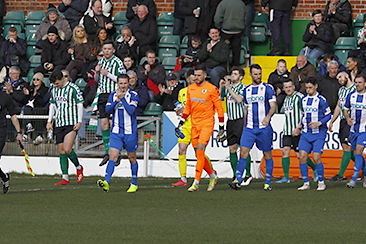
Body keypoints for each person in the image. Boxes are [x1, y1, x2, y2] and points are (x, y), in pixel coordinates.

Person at [176, 65, 224, 192]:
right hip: (194, 124)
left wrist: (221, 126)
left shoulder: (211, 89)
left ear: (204, 75)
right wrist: (181, 122)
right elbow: (188, 108)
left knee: (201, 149)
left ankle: (196, 182)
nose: (196, 78)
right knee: (198, 153)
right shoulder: (190, 89)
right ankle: (213, 175)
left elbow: (219, 108)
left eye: (198, 75)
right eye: (195, 75)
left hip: (207, 124)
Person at [229, 64, 276, 191]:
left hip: (264, 128)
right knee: (243, 152)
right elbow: (245, 109)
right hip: (249, 128)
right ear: (251, 75)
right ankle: (238, 180)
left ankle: (267, 181)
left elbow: (273, 106)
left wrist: (268, 117)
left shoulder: (267, 88)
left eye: (259, 74)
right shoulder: (247, 90)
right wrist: (244, 125)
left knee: (267, 155)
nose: (258, 76)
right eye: (255, 74)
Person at [97, 74, 140, 193]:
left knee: (132, 157)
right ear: (117, 84)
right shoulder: (112, 95)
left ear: (129, 83)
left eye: (125, 83)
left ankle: (134, 183)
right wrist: (116, 100)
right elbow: (107, 110)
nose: (123, 86)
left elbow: (131, 111)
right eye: (121, 83)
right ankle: (106, 182)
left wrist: (123, 99)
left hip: (130, 132)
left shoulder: (133, 95)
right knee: (113, 156)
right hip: (116, 132)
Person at [46, 70, 85, 185]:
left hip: (71, 122)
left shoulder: (73, 88)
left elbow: (79, 104)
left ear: (63, 79)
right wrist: (50, 121)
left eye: (57, 83)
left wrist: (79, 121)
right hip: (59, 122)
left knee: (67, 149)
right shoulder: (54, 89)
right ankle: (65, 177)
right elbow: (52, 105)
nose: (56, 85)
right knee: (62, 151)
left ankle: (78, 167)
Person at [276, 80, 318, 183]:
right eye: (286, 87)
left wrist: (299, 127)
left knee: (300, 155)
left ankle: (315, 169)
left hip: (297, 131)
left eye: (290, 86)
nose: (288, 89)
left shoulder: (299, 97)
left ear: (294, 87)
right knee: (285, 151)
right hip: (287, 131)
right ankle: (286, 177)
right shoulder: (286, 99)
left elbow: (305, 113)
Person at [294, 77, 331, 191]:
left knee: (316, 157)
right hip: (306, 133)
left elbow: (328, 115)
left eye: (310, 87)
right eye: (306, 88)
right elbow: (303, 115)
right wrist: (299, 126)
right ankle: (306, 183)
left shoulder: (321, 100)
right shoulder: (303, 100)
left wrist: (319, 123)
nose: (308, 90)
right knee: (302, 156)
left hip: (319, 133)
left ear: (316, 86)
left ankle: (321, 182)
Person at [219, 67, 252, 184]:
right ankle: (235, 174)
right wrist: (221, 86)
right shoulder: (228, 87)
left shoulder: (243, 87)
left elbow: (239, 99)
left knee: (244, 148)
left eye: (235, 74)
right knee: (232, 148)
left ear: (241, 77)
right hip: (231, 120)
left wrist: (228, 87)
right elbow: (220, 98)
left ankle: (248, 174)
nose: (232, 75)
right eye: (232, 73)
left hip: (240, 120)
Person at [95, 40, 126, 166]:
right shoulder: (101, 61)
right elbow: (97, 79)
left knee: (114, 124)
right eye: (105, 49)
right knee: (103, 124)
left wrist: (108, 74)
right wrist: (97, 73)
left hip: (114, 95)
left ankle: (116, 152)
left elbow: (122, 79)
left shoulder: (117, 62)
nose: (107, 51)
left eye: (109, 49)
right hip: (102, 95)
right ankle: (108, 152)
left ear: (113, 50)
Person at [328, 71, 355, 181]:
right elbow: (339, 107)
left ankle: (340, 174)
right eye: (337, 78)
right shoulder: (341, 90)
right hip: (343, 121)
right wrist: (332, 121)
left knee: (346, 147)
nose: (339, 79)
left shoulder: (354, 88)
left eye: (340, 77)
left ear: (346, 76)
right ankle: (364, 168)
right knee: (349, 149)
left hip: (352, 121)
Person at [343, 75, 366, 188]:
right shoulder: (351, 96)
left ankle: (354, 179)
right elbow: (345, 109)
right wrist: (347, 118)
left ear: (365, 84)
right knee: (356, 154)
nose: (357, 84)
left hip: (364, 130)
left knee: (358, 151)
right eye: (356, 82)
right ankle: (365, 175)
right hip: (353, 130)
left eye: (360, 82)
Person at [0, 89, 23, 194]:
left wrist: (18, 132)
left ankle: (4, 178)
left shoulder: (5, 97)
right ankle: (4, 177)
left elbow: (13, 116)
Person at [214, 0, 246, 66]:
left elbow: (217, 18)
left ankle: (224, 69)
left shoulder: (223, 3)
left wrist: (218, 27)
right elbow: (246, 17)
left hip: (225, 32)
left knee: (224, 53)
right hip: (238, 32)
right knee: (236, 53)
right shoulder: (241, 3)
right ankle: (236, 70)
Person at [23, 72, 50, 145]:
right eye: (34, 79)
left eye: (38, 79)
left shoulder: (45, 89)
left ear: (41, 81)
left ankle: (38, 135)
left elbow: (43, 101)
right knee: (26, 108)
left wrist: (35, 99)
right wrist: (27, 95)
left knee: (37, 111)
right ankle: (28, 127)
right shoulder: (30, 89)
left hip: (40, 108)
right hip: (30, 109)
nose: (35, 81)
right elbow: (25, 100)